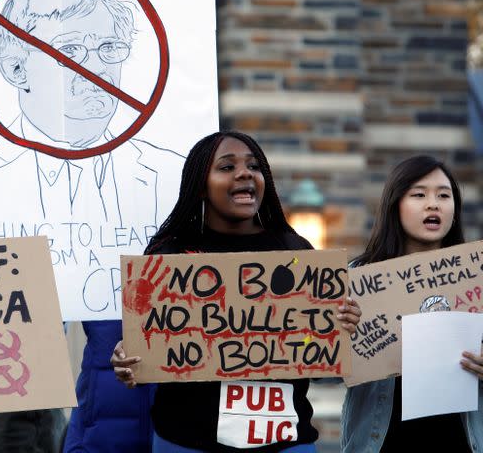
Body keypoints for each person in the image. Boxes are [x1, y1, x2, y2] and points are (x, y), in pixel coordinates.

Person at [109, 131, 361, 452]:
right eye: (227, 167)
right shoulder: (167, 256)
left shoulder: (295, 251)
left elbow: (324, 372)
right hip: (187, 443)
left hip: (285, 445)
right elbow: (147, 351)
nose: (244, 173)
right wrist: (128, 360)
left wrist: (340, 333)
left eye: (254, 166)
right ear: (200, 184)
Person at [0, 0, 183, 226]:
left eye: (109, 47)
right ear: (16, 70)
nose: (97, 68)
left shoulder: (174, 174)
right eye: (69, 51)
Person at [341, 155, 483, 452]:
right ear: (395, 206)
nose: (433, 204)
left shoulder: (477, 276)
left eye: (444, 196)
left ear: (455, 211)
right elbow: (322, 374)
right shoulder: (356, 278)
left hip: (462, 440)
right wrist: (340, 334)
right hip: (380, 442)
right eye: (419, 195)